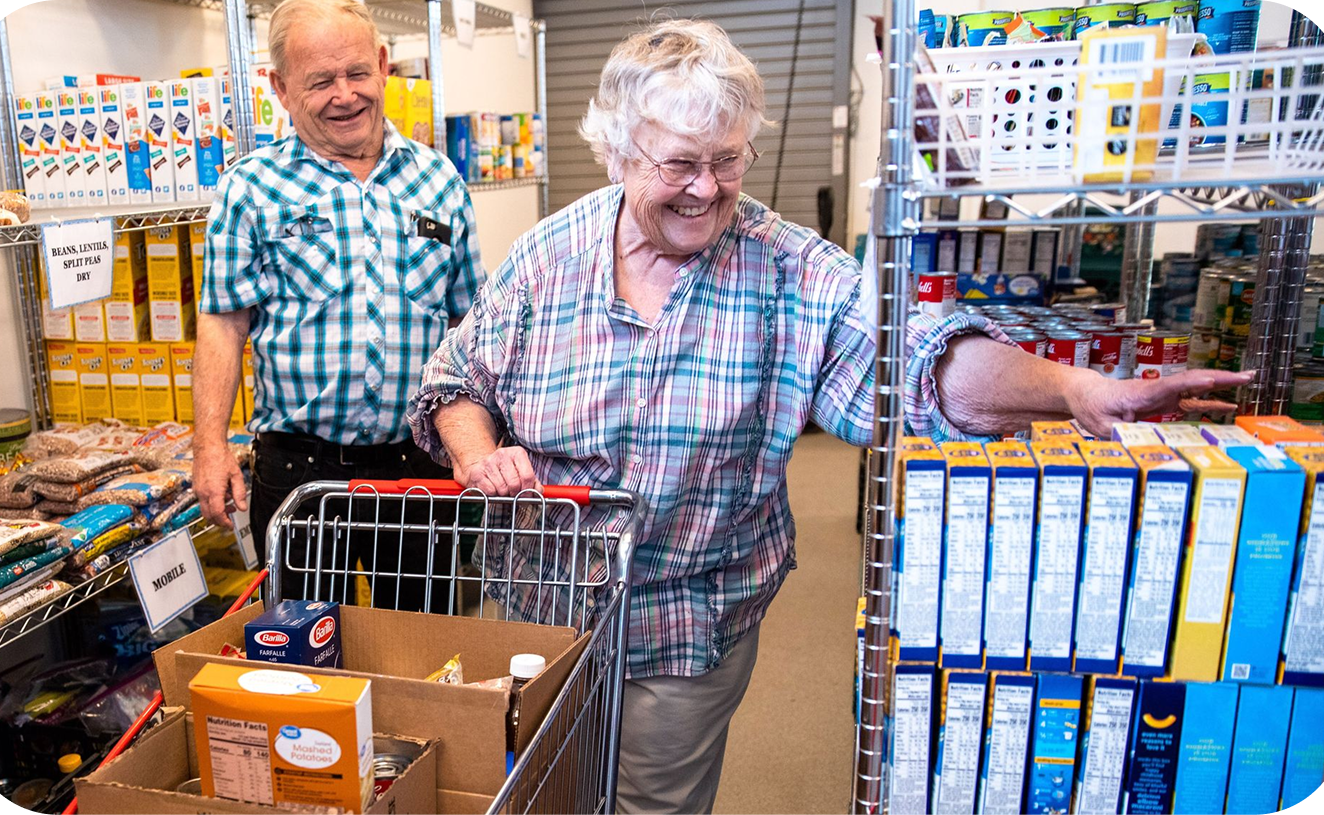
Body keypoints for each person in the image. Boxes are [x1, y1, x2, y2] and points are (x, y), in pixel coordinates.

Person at [407, 19, 1249, 815]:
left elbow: (919, 364)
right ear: (618, 152)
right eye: (678, 164)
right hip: (538, 612)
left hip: (685, 621)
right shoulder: (545, 256)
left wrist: (1070, 390)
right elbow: (455, 378)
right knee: (534, 786)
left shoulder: (788, 270)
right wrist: (480, 455)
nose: (706, 188)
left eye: (727, 160)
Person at [193, 0, 482, 611]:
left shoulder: (440, 180)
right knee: (300, 658)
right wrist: (209, 448)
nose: (344, 95)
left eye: (356, 73)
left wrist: (478, 444)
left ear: (382, 66)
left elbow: (470, 328)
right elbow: (223, 324)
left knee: (423, 650)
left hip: (417, 468)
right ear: (280, 88)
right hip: (300, 471)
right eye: (320, 82)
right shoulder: (250, 187)